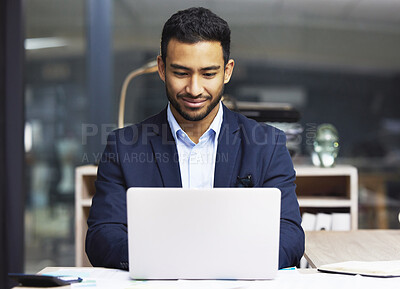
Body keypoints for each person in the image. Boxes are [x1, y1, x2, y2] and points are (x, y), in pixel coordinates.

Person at [86, 6, 304, 270]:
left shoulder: (268, 146)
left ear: (227, 71)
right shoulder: (123, 147)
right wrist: (171, 262)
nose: (194, 89)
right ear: (161, 68)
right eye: (181, 73)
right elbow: (102, 237)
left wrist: (220, 264)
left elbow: (290, 237)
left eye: (208, 74)